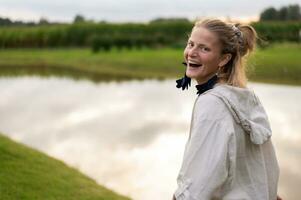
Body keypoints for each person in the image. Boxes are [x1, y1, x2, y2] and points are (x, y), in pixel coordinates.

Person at [173, 19, 281, 200]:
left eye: (204, 48)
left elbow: (200, 182)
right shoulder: (245, 96)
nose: (191, 52)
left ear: (224, 58)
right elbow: (259, 169)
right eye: (190, 44)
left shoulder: (212, 103)